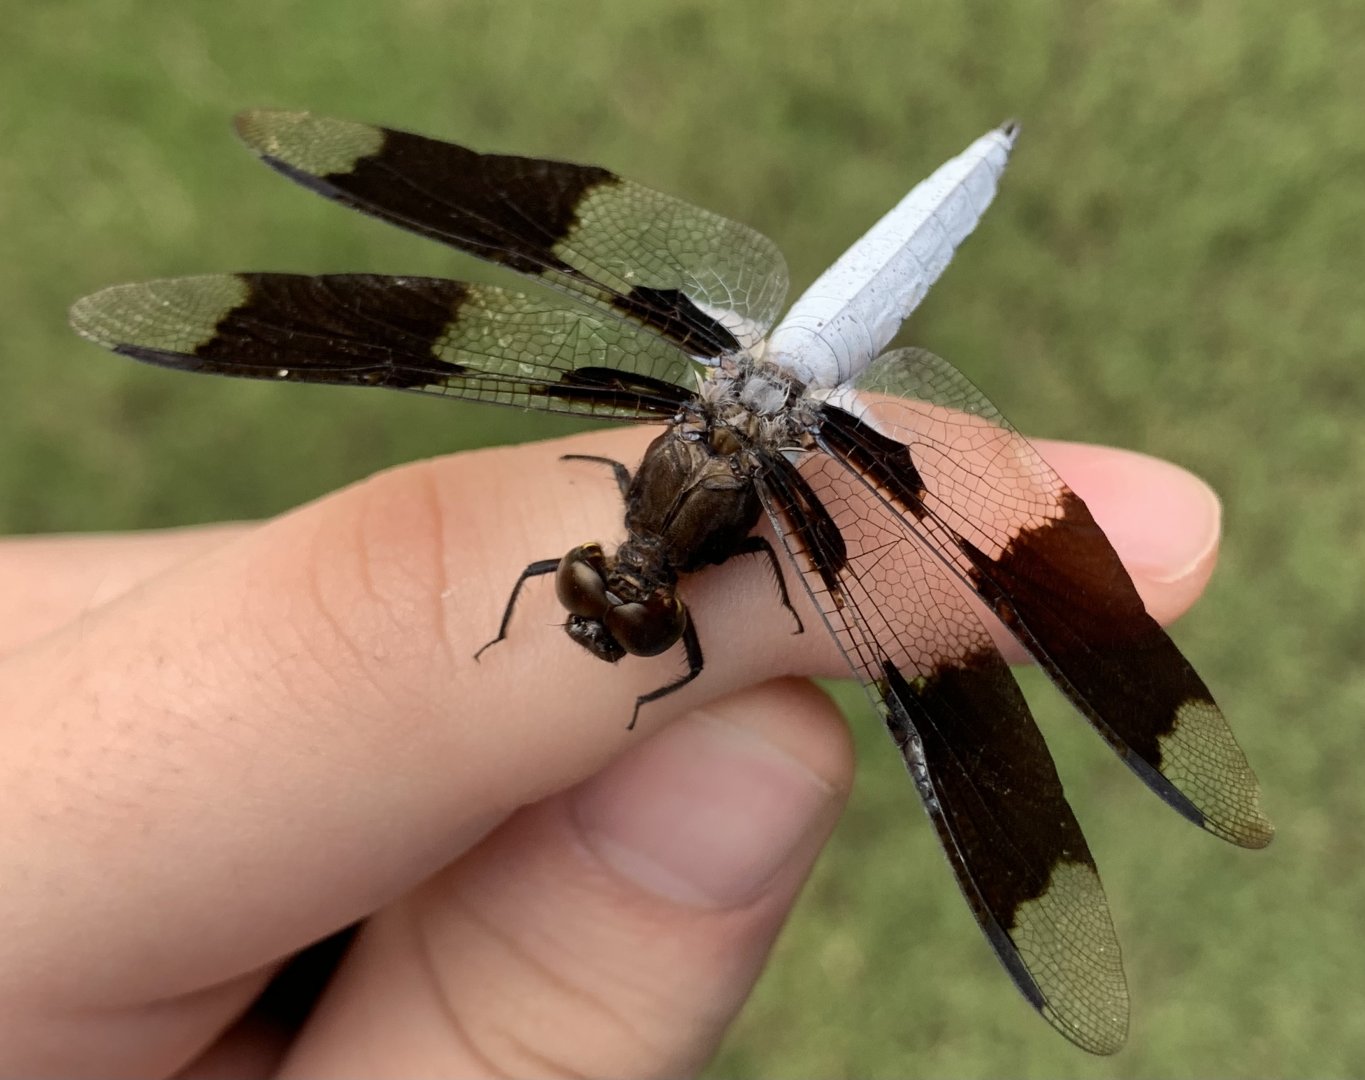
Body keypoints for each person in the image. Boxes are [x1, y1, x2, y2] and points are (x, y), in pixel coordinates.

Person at [0, 424, 1222, 1076]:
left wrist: (647, 712)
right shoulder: (640, 545)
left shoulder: (702, 540)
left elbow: (712, 632)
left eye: (608, 600)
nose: (604, 602)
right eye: (607, 594)